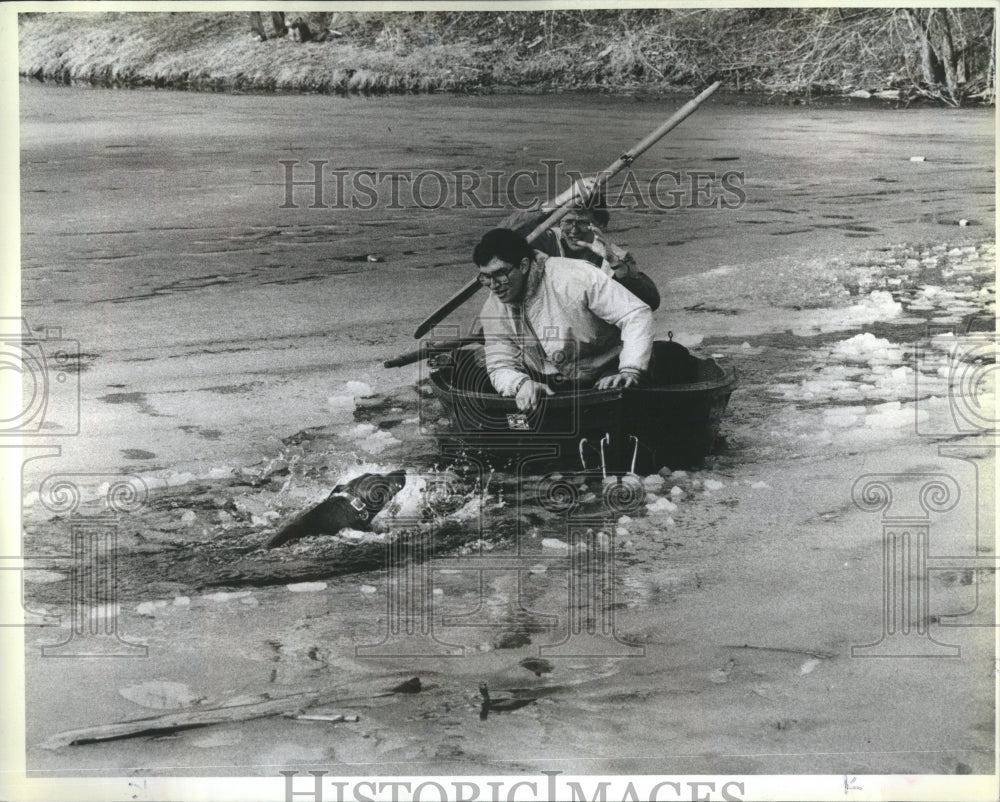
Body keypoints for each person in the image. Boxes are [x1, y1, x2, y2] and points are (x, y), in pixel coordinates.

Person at [474, 228, 654, 412]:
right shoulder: (493, 308)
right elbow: (500, 363)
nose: (494, 286)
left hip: (609, 369)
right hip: (555, 382)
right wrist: (520, 384)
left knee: (617, 409)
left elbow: (636, 314)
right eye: (486, 277)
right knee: (512, 417)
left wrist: (630, 368)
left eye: (500, 274)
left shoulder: (574, 276)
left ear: (524, 265)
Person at [501, 185, 660, 311]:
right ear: (558, 222)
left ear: (600, 224)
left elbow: (650, 302)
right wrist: (561, 199)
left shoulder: (615, 257)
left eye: (583, 223)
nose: (574, 230)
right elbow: (499, 235)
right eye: (568, 222)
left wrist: (614, 263)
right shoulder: (548, 240)